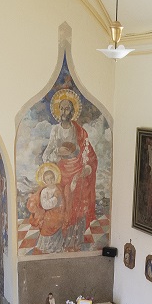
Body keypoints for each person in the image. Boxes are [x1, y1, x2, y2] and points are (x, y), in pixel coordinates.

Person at [41, 90, 97, 250]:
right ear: (58, 111)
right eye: (62, 108)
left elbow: (88, 152)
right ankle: (62, 240)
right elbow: (47, 153)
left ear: (72, 112)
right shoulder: (55, 130)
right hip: (61, 171)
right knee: (63, 204)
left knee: (77, 203)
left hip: (76, 169)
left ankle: (75, 239)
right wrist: (54, 155)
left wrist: (87, 167)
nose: (64, 112)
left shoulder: (78, 130)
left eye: (67, 109)